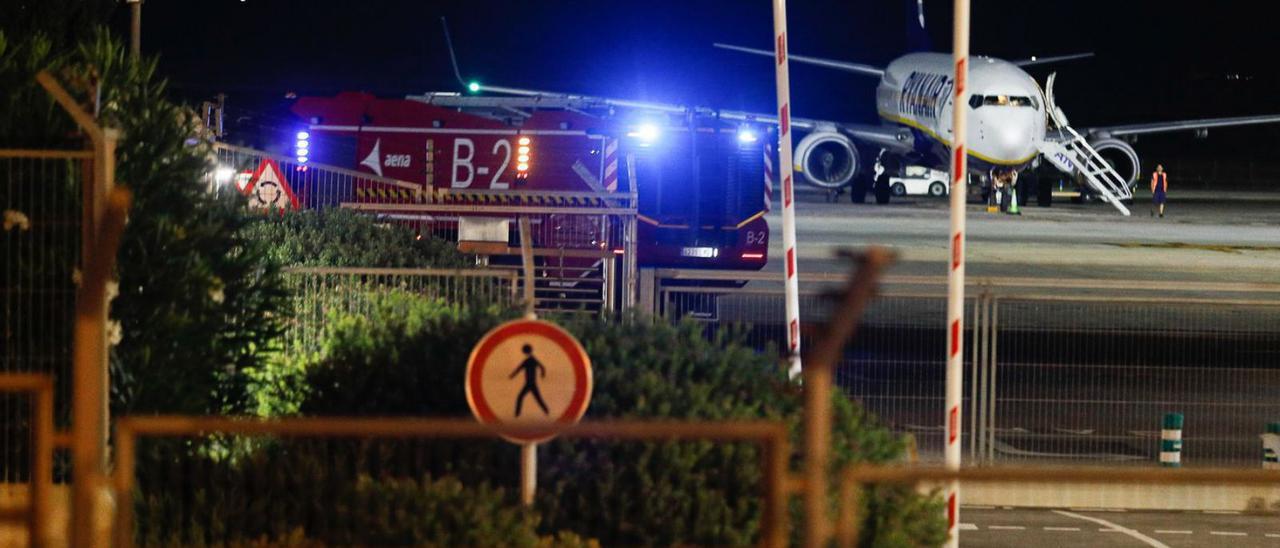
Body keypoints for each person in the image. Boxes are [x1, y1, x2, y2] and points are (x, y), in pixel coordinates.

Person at [510, 344, 549, 417]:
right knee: (537, 398)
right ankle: (546, 411)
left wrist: (512, 376)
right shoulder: (533, 359)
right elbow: (542, 367)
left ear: (525, 351)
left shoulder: (528, 360)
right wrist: (542, 374)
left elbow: (519, 369)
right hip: (532, 383)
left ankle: (517, 414)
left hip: (529, 383)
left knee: (520, 397)